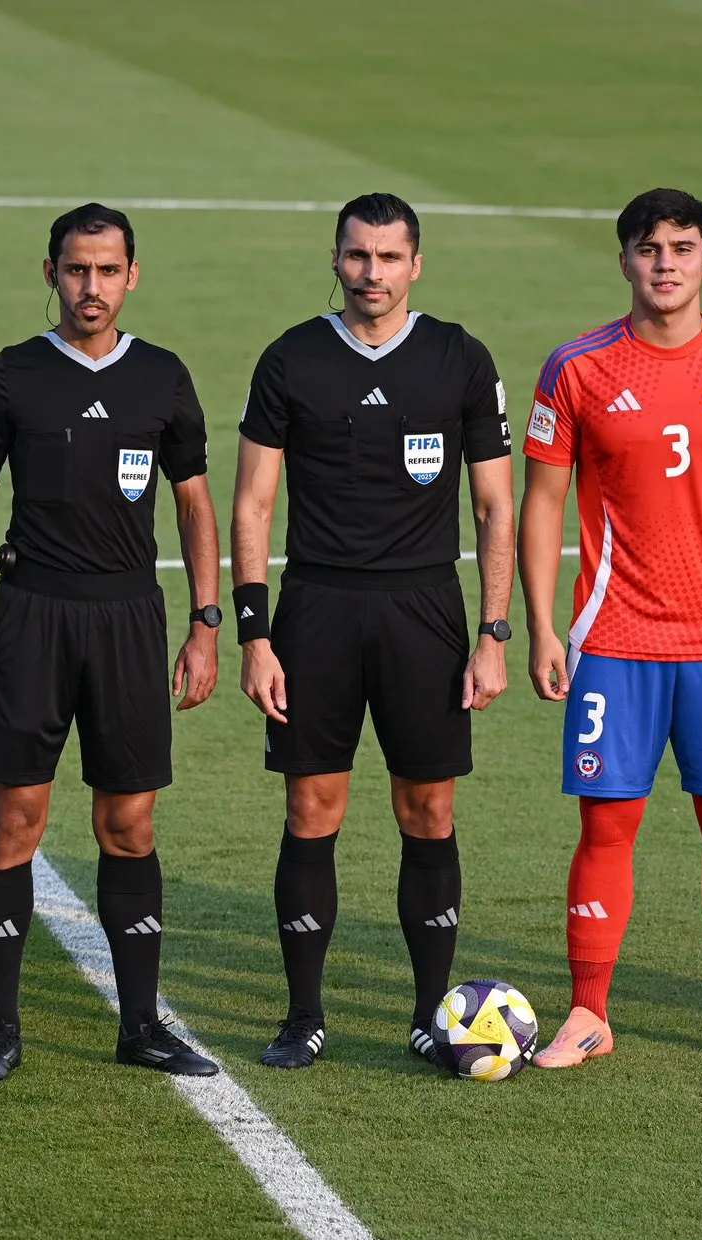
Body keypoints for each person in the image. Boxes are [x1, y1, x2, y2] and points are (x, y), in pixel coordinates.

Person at [518, 187, 702, 1069]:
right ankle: (589, 1014)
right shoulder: (577, 369)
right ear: (624, 262)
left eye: (683, 246)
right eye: (649, 248)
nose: (666, 262)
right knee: (606, 829)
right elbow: (543, 503)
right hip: (614, 643)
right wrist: (541, 628)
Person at [231, 192, 514, 1069]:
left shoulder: (459, 357)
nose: (373, 273)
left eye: (390, 257)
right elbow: (253, 501)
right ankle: (304, 1015)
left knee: (427, 808)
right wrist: (254, 632)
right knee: (312, 806)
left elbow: (496, 503)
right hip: (316, 608)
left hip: (425, 610)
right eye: (358, 256)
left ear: (415, 264)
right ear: (336, 259)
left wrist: (495, 631)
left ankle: (433, 1015)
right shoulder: (291, 359)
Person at [0, 203, 222, 1082]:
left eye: (107, 271)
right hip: (32, 619)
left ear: (131, 276)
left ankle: (140, 1025)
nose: (91, 287)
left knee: (128, 823)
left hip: (131, 620)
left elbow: (196, 505)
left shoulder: (165, 379)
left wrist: (206, 624)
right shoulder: (12, 376)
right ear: (51, 273)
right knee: (13, 822)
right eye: (76, 270)